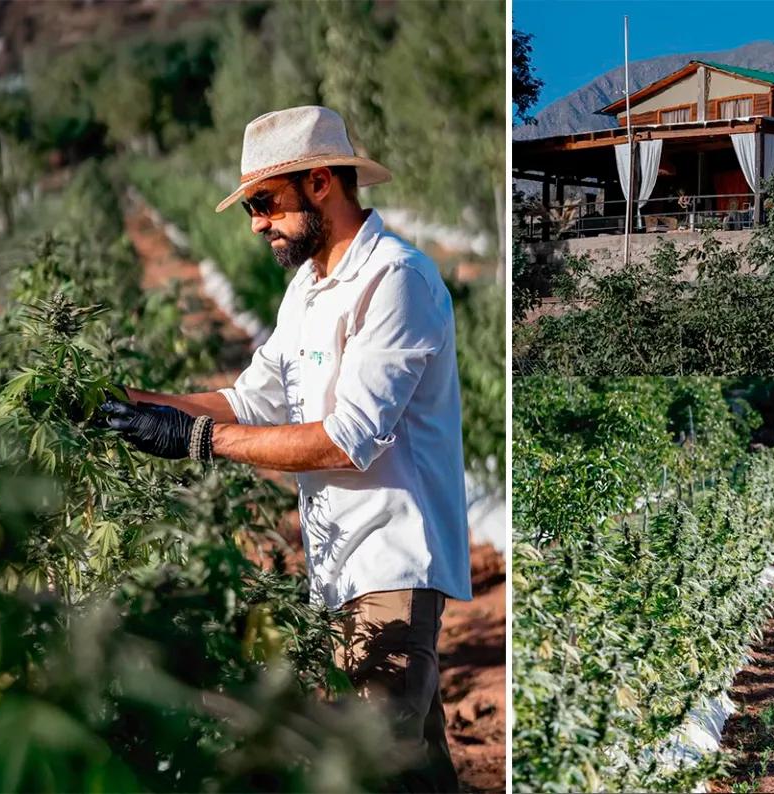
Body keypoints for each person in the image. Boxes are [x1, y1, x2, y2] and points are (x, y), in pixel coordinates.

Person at [101, 106, 470, 792]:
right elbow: (249, 399)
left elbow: (347, 441)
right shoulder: (307, 288)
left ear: (320, 183)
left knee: (369, 764)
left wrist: (199, 442)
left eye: (265, 203)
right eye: (251, 207)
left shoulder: (395, 281)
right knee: (415, 768)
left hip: (390, 564)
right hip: (340, 564)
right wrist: (132, 404)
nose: (256, 224)